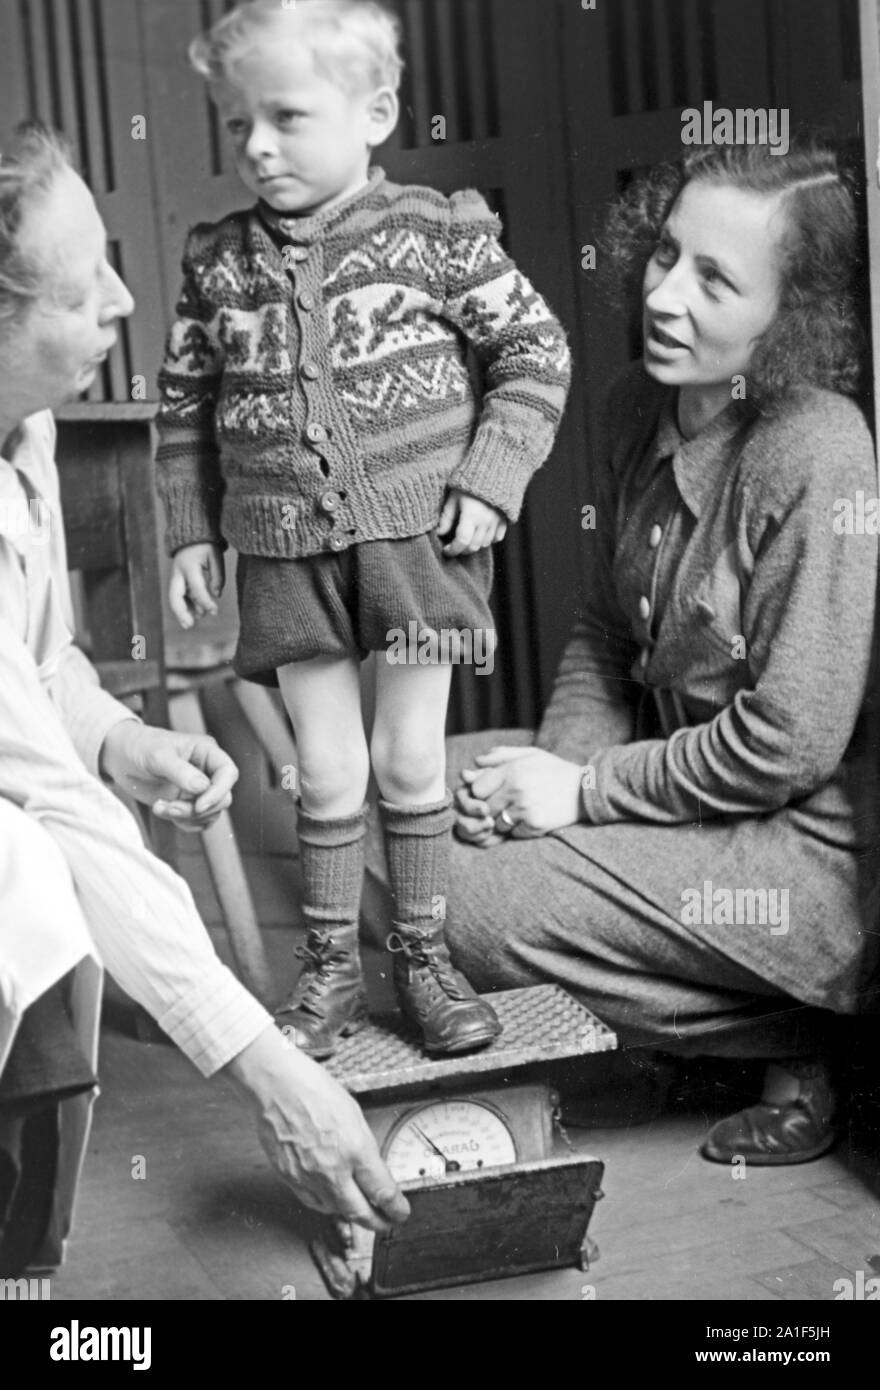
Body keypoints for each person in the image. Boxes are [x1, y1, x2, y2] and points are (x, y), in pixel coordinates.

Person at [0, 120, 408, 1273]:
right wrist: (274, 1073)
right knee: (26, 873)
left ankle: (23, 1252)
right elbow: (46, 799)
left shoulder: (20, 430)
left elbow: (38, 674)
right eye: (83, 292)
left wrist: (123, 739)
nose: (127, 300)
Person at [431, 141, 880, 1165]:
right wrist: (538, 792)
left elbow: (787, 744)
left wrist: (580, 795)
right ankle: (714, 1029)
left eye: (716, 279)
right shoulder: (639, 404)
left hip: (793, 844)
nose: (666, 298)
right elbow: (600, 630)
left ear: (792, 312)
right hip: (662, 793)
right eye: (665, 255)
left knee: (464, 905)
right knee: (400, 810)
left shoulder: (819, 448)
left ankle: (804, 1035)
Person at [154, 0, 571, 1060]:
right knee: (328, 769)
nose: (256, 145)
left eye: (286, 117)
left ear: (375, 110)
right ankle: (333, 971)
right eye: (239, 122)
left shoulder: (436, 233)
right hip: (285, 556)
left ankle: (424, 959)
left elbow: (533, 354)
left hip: (417, 549)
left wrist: (492, 474)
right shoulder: (218, 263)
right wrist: (192, 531)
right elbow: (182, 410)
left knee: (409, 754)